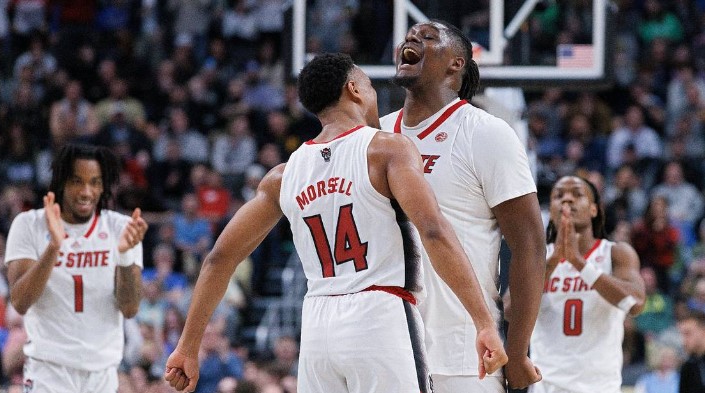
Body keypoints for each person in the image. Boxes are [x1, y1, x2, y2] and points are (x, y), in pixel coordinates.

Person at [165, 53, 508, 393]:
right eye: (370, 86)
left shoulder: (282, 177)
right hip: (380, 314)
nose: (373, 96)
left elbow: (219, 258)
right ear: (354, 89)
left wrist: (187, 346)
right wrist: (482, 321)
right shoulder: (387, 150)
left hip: (317, 327)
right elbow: (433, 231)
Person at [380, 19, 545, 391]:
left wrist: (517, 352)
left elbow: (530, 246)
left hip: (462, 353)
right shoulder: (375, 135)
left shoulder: (486, 132)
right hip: (383, 347)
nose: (411, 39)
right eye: (408, 36)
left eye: (427, 37)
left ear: (456, 63)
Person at [4, 144, 148, 392]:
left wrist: (124, 255)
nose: (86, 191)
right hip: (49, 370)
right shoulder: (29, 224)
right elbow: (20, 301)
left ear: (104, 186)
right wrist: (54, 248)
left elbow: (130, 307)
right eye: (76, 181)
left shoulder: (121, 228)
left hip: (103, 372)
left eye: (95, 182)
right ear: (61, 182)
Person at [529, 176, 646, 393]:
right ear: (550, 210)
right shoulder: (539, 258)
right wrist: (554, 262)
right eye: (559, 195)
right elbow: (509, 310)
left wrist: (579, 263)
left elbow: (636, 304)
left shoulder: (615, 253)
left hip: (599, 386)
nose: (567, 200)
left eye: (577, 194)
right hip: (546, 386)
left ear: (594, 210)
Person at [678, 309, 705, 393]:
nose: (683, 340)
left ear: (703, 331)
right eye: (682, 334)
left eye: (687, 333)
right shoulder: (687, 368)